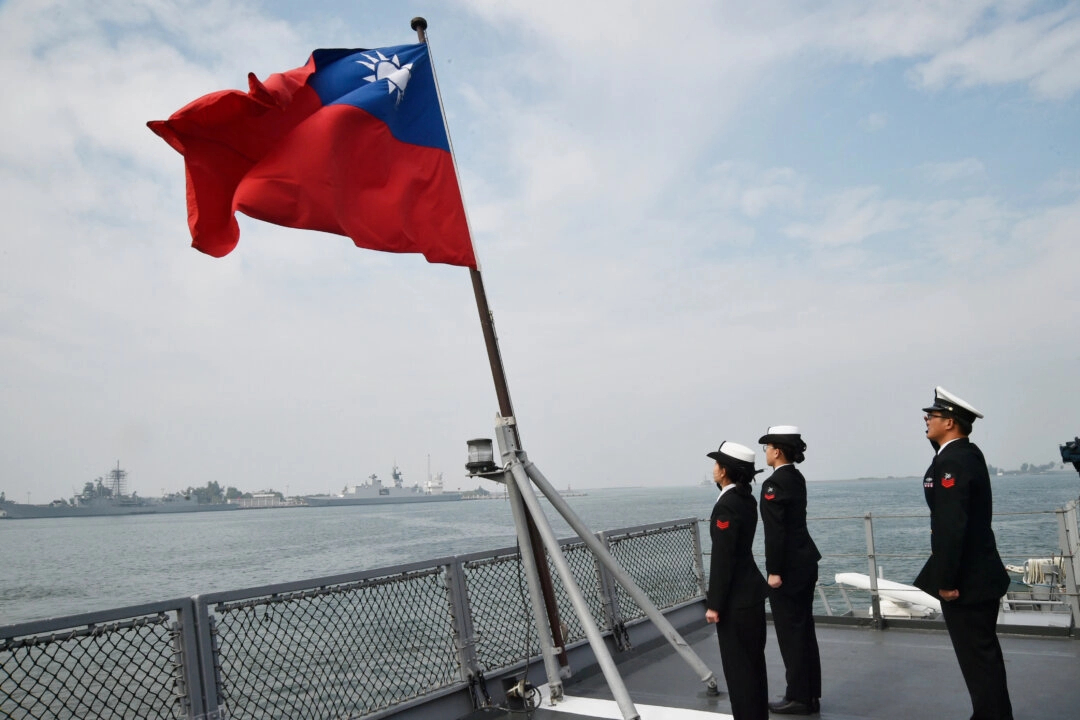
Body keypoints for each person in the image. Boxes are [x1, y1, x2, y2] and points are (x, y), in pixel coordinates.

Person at [913, 387, 1013, 720]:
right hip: (977, 572)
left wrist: (946, 580)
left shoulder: (954, 460)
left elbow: (952, 525)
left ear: (951, 422)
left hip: (967, 580)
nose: (926, 419)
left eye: (933, 415)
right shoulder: (962, 454)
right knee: (980, 656)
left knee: (977, 657)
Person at [758, 425, 821, 715]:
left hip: (789, 570)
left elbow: (776, 532)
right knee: (804, 630)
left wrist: (774, 571)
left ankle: (798, 697)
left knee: (791, 634)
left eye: (767, 447)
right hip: (805, 563)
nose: (765, 452)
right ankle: (810, 694)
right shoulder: (796, 477)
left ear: (777, 450)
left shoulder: (774, 484)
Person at [704, 441, 769, 720]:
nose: (713, 468)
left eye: (717, 464)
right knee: (754, 665)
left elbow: (723, 558)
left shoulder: (726, 506)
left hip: (735, 600)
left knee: (739, 670)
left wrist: (714, 604)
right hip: (750, 594)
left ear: (725, 471)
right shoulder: (746, 499)